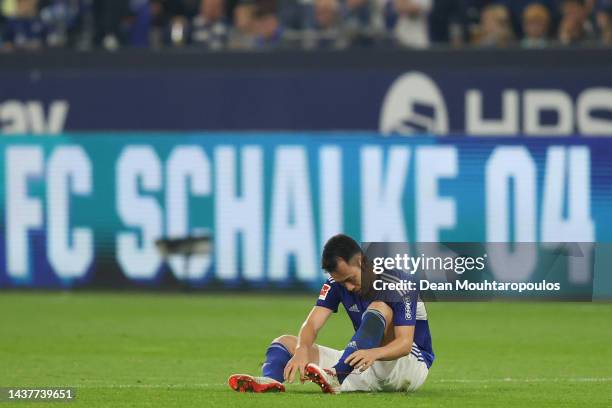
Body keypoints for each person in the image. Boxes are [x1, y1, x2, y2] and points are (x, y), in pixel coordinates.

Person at [228, 234, 434, 394]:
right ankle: (271, 381)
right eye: (342, 281)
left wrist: (373, 353)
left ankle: (337, 375)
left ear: (362, 261)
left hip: (407, 367)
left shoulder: (400, 284)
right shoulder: (337, 284)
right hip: (366, 365)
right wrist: (301, 350)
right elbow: (312, 325)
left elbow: (405, 344)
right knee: (286, 342)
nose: (349, 287)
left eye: (350, 279)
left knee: (380, 307)